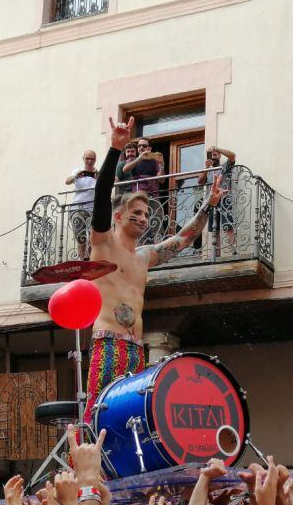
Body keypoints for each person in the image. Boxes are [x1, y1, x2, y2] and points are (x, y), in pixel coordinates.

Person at [84, 117, 227, 417]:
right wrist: (114, 150)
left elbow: (182, 239)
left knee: (132, 420)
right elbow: (100, 196)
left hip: (136, 348)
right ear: (120, 216)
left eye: (147, 214)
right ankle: (86, 464)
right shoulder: (103, 243)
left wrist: (208, 205)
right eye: (136, 212)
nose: (144, 218)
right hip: (107, 343)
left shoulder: (145, 256)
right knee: (99, 416)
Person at [197, 146, 237, 258]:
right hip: (211, 201)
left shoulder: (225, 166)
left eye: (215, 155)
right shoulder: (208, 169)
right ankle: (216, 254)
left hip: (224, 198)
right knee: (214, 228)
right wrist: (206, 168)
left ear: (219, 156)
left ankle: (234, 250)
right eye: (211, 155)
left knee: (227, 224)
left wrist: (218, 149)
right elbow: (200, 181)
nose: (213, 157)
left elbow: (233, 156)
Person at [65, 149, 98, 259]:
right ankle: (82, 259)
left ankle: (89, 259)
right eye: (87, 158)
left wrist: (99, 179)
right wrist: (76, 176)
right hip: (77, 208)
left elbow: (107, 187)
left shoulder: (98, 173)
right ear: (83, 159)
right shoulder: (77, 171)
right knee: (80, 236)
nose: (89, 161)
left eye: (92, 159)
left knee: (92, 237)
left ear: (95, 160)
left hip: (92, 209)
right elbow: (67, 181)